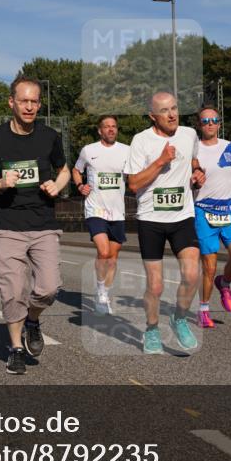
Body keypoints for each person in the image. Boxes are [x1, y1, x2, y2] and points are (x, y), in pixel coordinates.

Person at [0, 76, 69, 375]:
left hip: (43, 222)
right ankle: (15, 348)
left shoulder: (49, 136)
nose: (29, 106)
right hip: (8, 225)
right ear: (11, 102)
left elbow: (64, 169)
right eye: (24, 101)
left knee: (49, 288)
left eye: (35, 101)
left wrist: (58, 185)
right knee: (13, 290)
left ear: (40, 104)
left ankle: (33, 320)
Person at [123, 91, 204, 354]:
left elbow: (193, 160)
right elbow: (133, 184)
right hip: (151, 220)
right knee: (155, 286)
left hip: (182, 216)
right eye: (165, 111)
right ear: (152, 116)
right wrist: (160, 161)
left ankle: (179, 318)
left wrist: (198, 172)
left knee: (192, 275)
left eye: (175, 108)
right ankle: (152, 329)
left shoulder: (190, 134)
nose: (172, 115)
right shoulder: (141, 141)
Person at [194, 107, 231, 328]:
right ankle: (204, 309)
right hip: (203, 211)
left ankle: (224, 283)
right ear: (200, 124)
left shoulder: (230, 146)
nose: (210, 123)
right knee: (209, 266)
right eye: (205, 120)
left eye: (213, 120)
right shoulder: (193, 149)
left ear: (219, 123)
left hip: (229, 211)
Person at [72, 114, 129, 315]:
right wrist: (80, 185)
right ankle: (101, 290)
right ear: (100, 130)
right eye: (107, 126)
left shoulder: (126, 151)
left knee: (112, 258)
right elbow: (76, 170)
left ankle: (103, 293)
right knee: (104, 252)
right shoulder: (89, 150)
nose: (111, 129)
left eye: (114, 126)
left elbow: (136, 175)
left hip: (118, 211)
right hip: (95, 208)